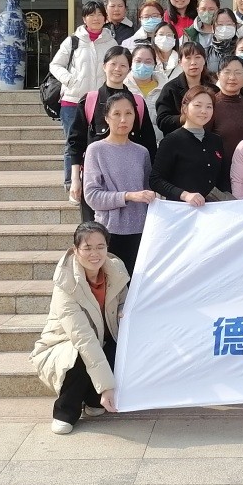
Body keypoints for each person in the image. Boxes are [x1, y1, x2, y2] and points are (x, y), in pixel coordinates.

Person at [31, 222, 127, 435]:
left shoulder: (115, 269)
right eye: (87, 248)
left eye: (100, 247)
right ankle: (65, 411)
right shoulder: (65, 283)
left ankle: (93, 400)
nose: (95, 254)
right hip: (65, 344)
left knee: (123, 347)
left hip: (102, 339)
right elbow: (83, 338)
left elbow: (124, 300)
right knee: (80, 354)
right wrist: (107, 387)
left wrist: (122, 309)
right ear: (76, 250)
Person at [68, 46, 158, 221]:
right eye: (113, 64)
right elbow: (75, 143)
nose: (118, 69)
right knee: (94, 230)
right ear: (104, 66)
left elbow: (149, 145)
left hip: (132, 183)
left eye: (123, 65)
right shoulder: (90, 100)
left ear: (129, 69)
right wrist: (75, 179)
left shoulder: (138, 103)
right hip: (97, 182)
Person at [81, 92, 157, 272]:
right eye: (116, 114)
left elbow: (148, 191)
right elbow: (92, 196)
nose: (123, 119)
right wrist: (128, 196)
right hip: (109, 232)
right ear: (106, 118)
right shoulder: (96, 150)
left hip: (141, 231)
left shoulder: (142, 152)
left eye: (128, 113)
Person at [50, 1, 118, 188]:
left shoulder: (111, 42)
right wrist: (71, 80)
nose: (96, 18)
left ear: (105, 18)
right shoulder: (73, 41)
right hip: (73, 101)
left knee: (99, 143)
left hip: (101, 101)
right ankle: (71, 183)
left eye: (99, 14)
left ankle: (97, 183)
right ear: (84, 18)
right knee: (73, 143)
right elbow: (55, 65)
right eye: (91, 14)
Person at [150, 86, 231, 205]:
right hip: (182, 209)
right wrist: (184, 195)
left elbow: (223, 179)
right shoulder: (172, 141)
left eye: (209, 107)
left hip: (213, 209)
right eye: (198, 105)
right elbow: (156, 180)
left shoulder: (216, 140)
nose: (203, 111)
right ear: (185, 108)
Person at [155, 41, 210, 134]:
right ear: (180, 62)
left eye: (197, 57)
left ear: (204, 60)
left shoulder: (212, 89)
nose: (193, 62)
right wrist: (185, 117)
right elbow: (162, 121)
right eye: (188, 58)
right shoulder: (170, 89)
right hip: (178, 139)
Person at [209, 55, 243, 154]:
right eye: (227, 72)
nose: (232, 77)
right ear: (218, 75)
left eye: (238, 73)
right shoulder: (210, 105)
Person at [125, 43, 165, 142]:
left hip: (158, 143)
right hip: (129, 143)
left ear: (154, 64)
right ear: (131, 63)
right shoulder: (123, 88)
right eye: (138, 61)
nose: (142, 65)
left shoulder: (165, 88)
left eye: (148, 62)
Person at [204, 6, 240, 73]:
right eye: (220, 24)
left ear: (235, 26)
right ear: (212, 28)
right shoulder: (206, 53)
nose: (225, 28)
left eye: (229, 24)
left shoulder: (242, 50)